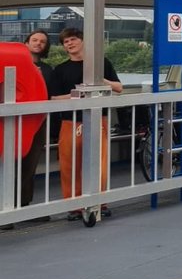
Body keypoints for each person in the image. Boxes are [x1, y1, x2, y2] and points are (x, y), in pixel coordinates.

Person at [50, 27, 122, 220]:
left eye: (73, 39)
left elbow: (118, 87)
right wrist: (78, 95)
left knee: (100, 162)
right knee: (69, 164)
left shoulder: (101, 64)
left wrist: (101, 80)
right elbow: (54, 98)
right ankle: (74, 206)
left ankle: (100, 202)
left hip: (99, 118)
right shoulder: (60, 69)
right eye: (66, 42)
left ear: (82, 41)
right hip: (70, 120)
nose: (70, 43)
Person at [18, 30, 53, 208]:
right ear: (26, 42)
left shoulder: (48, 70)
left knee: (30, 164)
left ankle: (23, 204)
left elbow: (50, 95)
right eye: (35, 40)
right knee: (9, 163)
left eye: (42, 41)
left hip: (38, 122)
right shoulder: (14, 65)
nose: (38, 43)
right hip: (14, 121)